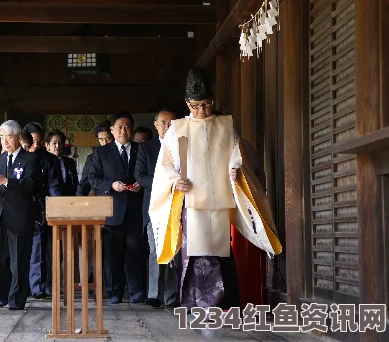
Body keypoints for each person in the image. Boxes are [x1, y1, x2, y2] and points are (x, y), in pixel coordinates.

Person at [149, 66, 272, 312]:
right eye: (196, 106)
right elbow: (166, 165)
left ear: (212, 101)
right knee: (195, 253)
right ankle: (196, 305)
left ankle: (225, 305)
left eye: (206, 104)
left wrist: (238, 172)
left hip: (221, 202)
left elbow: (240, 157)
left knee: (222, 252)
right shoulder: (177, 129)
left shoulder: (226, 127)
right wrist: (176, 181)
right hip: (192, 203)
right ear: (187, 103)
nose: (202, 111)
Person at [0, 120, 39, 310]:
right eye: (2, 137)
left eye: (9, 136)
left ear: (18, 137)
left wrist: (7, 181)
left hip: (20, 217)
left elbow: (31, 185)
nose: (4, 141)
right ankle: (4, 295)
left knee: (18, 260)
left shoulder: (29, 159)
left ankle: (17, 299)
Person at [89, 111, 146, 304]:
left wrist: (142, 184)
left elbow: (148, 173)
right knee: (112, 255)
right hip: (112, 209)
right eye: (120, 127)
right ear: (112, 129)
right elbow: (93, 178)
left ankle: (136, 291)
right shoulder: (101, 152)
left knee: (135, 251)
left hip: (136, 208)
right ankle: (114, 292)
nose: (124, 130)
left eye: (127, 126)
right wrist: (111, 185)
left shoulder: (141, 149)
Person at [135, 107, 179, 308]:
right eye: (163, 122)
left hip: (177, 205)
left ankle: (171, 295)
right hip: (154, 206)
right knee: (155, 251)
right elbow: (140, 176)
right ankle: (154, 294)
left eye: (171, 123)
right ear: (156, 124)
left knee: (174, 251)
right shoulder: (146, 147)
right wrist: (165, 183)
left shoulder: (182, 146)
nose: (168, 126)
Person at [24, 122, 63, 298]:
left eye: (39, 142)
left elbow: (54, 185)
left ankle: (40, 286)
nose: (36, 145)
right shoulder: (19, 156)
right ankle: (25, 286)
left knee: (41, 249)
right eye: (32, 141)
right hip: (19, 208)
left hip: (41, 208)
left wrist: (56, 207)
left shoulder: (49, 159)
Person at [76, 120, 113, 197]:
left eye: (108, 138)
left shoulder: (122, 153)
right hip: (102, 199)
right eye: (101, 139)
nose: (104, 143)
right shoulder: (92, 157)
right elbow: (84, 184)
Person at [46, 129, 79, 196]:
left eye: (60, 143)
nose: (57, 146)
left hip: (67, 200)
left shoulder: (70, 162)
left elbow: (75, 183)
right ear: (47, 145)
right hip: (48, 201)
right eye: (54, 143)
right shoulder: (43, 162)